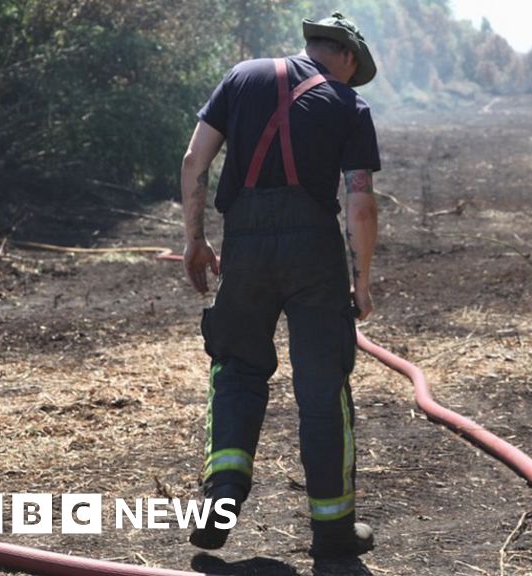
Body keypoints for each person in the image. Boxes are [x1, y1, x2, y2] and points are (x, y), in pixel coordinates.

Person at [178, 11, 380, 561]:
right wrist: (361, 281)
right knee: (322, 387)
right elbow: (359, 202)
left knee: (236, 370)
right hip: (314, 255)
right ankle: (333, 532)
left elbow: (195, 159)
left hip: (244, 247)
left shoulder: (241, 77)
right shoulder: (349, 105)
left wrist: (195, 240)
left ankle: (220, 501)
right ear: (347, 56)